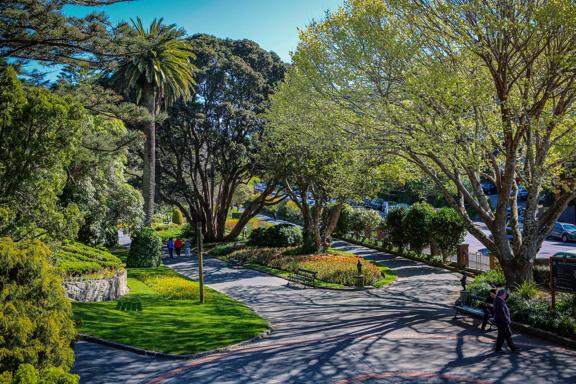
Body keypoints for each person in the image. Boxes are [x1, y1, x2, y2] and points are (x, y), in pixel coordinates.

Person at [493, 288, 518, 353]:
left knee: (508, 334)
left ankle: (512, 347)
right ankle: (498, 349)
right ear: (502, 294)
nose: (506, 295)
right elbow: (502, 313)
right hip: (502, 321)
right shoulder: (499, 301)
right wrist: (507, 320)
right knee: (502, 335)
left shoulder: (499, 299)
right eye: (505, 294)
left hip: (502, 321)